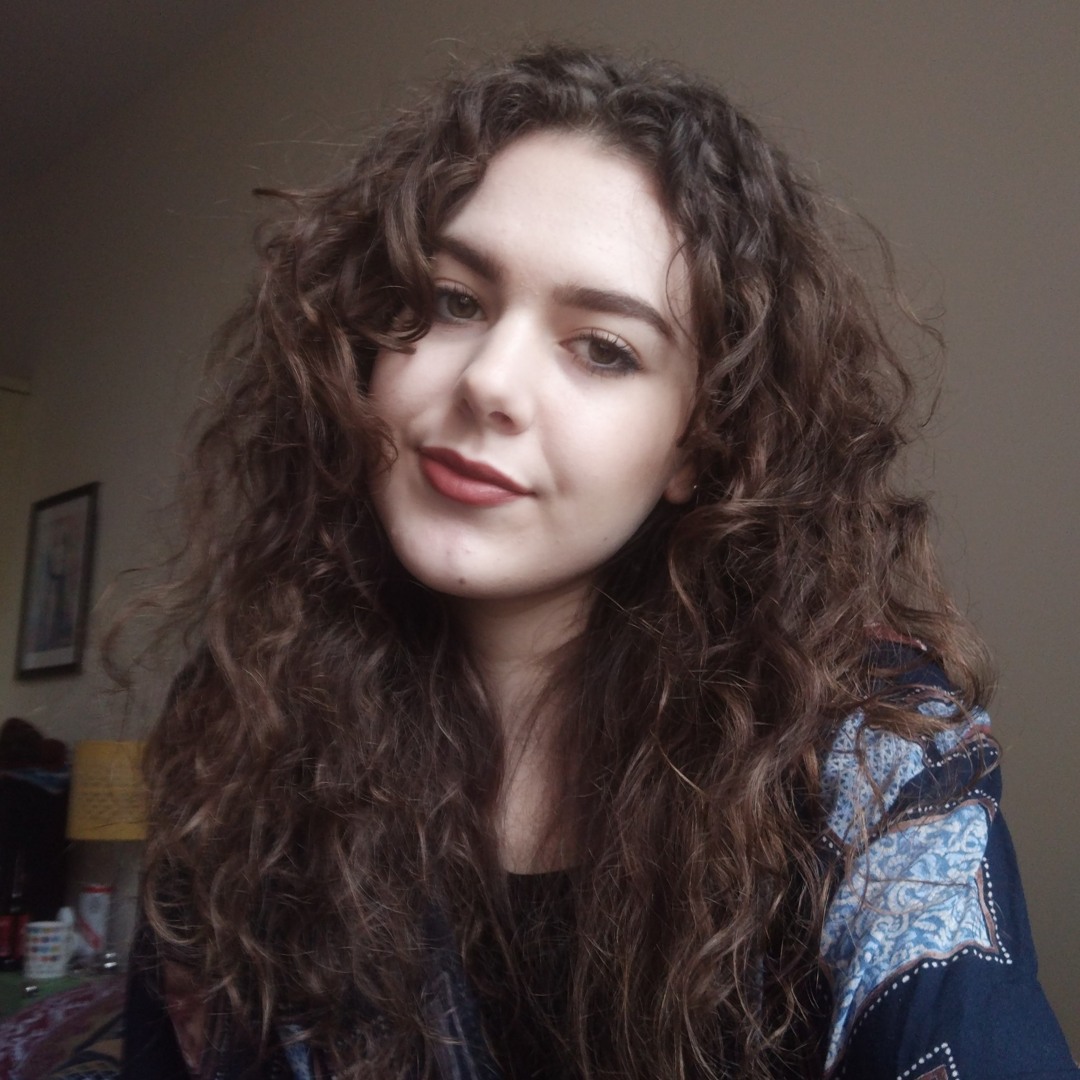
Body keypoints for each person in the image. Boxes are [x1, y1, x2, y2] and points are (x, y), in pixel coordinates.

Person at [120, 45, 1077, 1079]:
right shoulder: (246, 722)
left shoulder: (864, 745)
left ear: (698, 447)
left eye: (604, 348)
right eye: (454, 300)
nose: (491, 381)